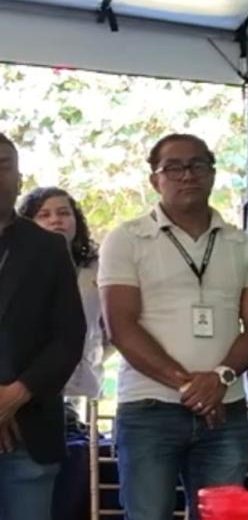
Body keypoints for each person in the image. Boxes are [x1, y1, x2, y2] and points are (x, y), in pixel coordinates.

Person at [99, 133, 248, 519]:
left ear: (212, 174)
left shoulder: (243, 245)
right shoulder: (126, 239)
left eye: (197, 165)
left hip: (225, 408)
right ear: (154, 179)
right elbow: (121, 326)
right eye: (173, 168)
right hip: (149, 409)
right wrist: (191, 387)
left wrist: (220, 378)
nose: (187, 175)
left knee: (223, 516)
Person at [0, 133, 87, 520]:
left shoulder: (48, 248)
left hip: (30, 428)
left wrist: (14, 396)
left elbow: (68, 337)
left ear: (19, 178)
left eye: (3, 165)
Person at [19, 187, 112, 402]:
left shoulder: (98, 268)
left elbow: (114, 327)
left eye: (63, 213)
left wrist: (92, 353)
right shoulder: (18, 268)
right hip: (29, 388)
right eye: (44, 215)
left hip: (84, 388)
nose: (55, 220)